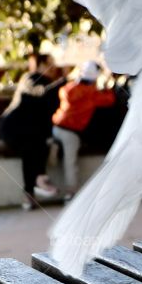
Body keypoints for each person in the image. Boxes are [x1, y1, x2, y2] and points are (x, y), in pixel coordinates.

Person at [0, 52, 65, 209]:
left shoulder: (47, 83)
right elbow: (38, 92)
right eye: (50, 63)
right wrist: (63, 81)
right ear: (41, 65)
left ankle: (31, 191)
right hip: (13, 128)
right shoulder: (31, 78)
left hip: (28, 131)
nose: (53, 67)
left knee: (35, 146)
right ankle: (39, 181)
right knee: (33, 145)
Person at [51, 61, 115, 195]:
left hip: (56, 127)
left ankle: (53, 143)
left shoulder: (68, 88)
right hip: (71, 133)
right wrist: (108, 87)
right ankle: (70, 192)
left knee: (66, 153)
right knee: (70, 162)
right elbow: (110, 100)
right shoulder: (91, 93)